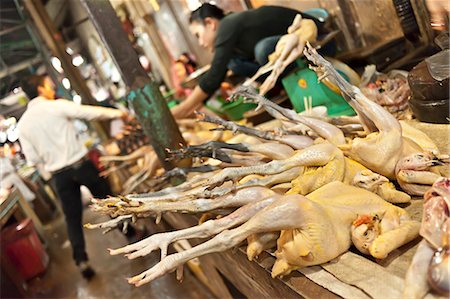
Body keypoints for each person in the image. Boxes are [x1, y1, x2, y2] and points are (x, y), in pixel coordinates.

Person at [17, 75, 127, 280]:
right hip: (81, 165)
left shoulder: (23, 126)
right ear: (41, 90)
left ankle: (82, 261)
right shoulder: (56, 107)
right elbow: (88, 112)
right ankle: (129, 232)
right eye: (49, 86)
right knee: (108, 200)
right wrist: (118, 114)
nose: (52, 89)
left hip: (60, 176)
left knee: (72, 219)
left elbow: (32, 159)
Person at [171, 4, 327, 119]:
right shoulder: (231, 31)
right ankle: (285, 90)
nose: (200, 43)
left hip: (319, 40)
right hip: (296, 51)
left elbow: (214, 75)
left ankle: (291, 89)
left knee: (263, 49)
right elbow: (218, 74)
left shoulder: (227, 25)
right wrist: (192, 106)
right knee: (233, 63)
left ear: (210, 23)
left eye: (198, 35)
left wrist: (184, 108)